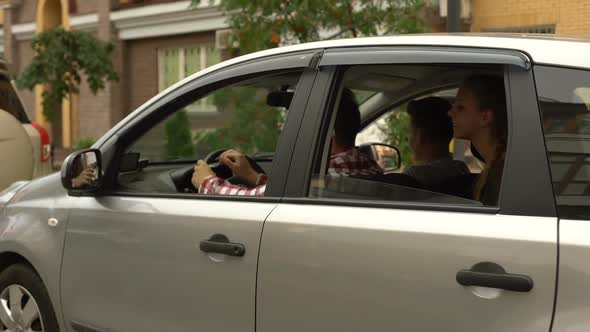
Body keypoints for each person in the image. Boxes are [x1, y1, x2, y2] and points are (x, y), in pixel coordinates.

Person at [192, 88, 382, 196]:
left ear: (326, 133)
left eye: (305, 126)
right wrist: (252, 175)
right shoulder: (368, 167)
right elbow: (294, 190)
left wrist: (208, 182)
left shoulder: (326, 174)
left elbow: (260, 200)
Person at [448, 74, 508, 205]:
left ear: (485, 117)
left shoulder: (501, 176)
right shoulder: (498, 168)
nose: (450, 113)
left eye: (460, 107)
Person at [403, 97, 470, 187]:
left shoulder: (415, 176)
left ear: (420, 135)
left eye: (410, 132)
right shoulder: (461, 168)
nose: (408, 139)